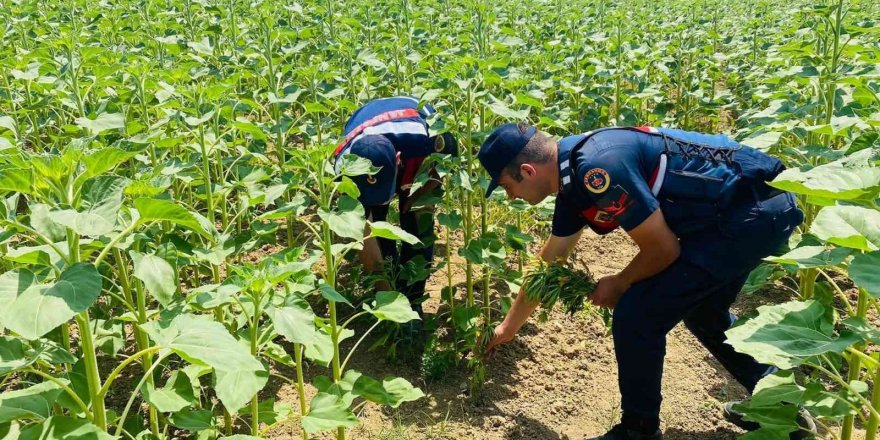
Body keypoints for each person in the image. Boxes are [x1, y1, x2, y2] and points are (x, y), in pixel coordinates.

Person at [478, 123, 812, 439]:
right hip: (745, 210)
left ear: (527, 171)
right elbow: (548, 263)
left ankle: (638, 430)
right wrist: (508, 328)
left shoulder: (597, 167)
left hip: (751, 210)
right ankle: (782, 409)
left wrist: (621, 282)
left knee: (637, 314)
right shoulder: (572, 179)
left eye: (507, 187)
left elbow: (663, 249)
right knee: (703, 311)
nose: (510, 197)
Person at [332, 96, 457, 323]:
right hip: (365, 123)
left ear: (398, 160)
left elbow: (444, 166)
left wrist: (419, 195)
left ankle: (413, 296)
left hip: (415, 141)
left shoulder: (431, 138)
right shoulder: (344, 167)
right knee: (375, 229)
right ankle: (392, 284)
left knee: (420, 221)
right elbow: (363, 233)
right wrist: (388, 299)